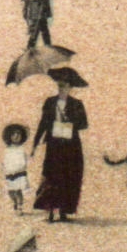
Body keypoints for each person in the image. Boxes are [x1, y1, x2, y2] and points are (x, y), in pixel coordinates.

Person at [32, 67, 89, 222]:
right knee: (51, 176)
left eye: (65, 85)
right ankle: (50, 209)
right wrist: (35, 143)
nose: (61, 87)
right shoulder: (50, 102)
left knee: (69, 176)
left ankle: (64, 210)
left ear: (71, 87)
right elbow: (43, 123)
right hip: (54, 144)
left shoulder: (77, 104)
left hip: (71, 145)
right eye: (60, 85)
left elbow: (84, 124)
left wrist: (70, 122)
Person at [2, 124, 32, 215]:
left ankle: (20, 206)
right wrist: (5, 168)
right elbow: (5, 160)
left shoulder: (21, 149)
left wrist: (20, 168)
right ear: (10, 137)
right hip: (9, 172)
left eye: (18, 134)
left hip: (19, 172)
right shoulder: (7, 149)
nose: (16, 136)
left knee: (18, 190)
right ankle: (14, 203)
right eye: (13, 134)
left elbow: (24, 161)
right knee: (10, 191)